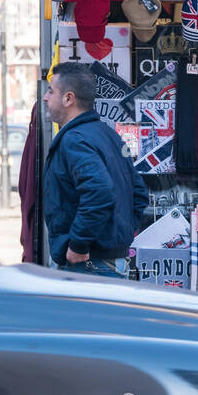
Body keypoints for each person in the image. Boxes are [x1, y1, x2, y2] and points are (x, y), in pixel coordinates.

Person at [42, 62, 146, 277]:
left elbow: (99, 192)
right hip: (108, 261)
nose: (45, 97)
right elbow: (139, 194)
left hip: (89, 264)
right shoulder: (107, 134)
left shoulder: (75, 140)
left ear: (68, 98)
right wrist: (116, 236)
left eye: (51, 91)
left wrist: (79, 244)